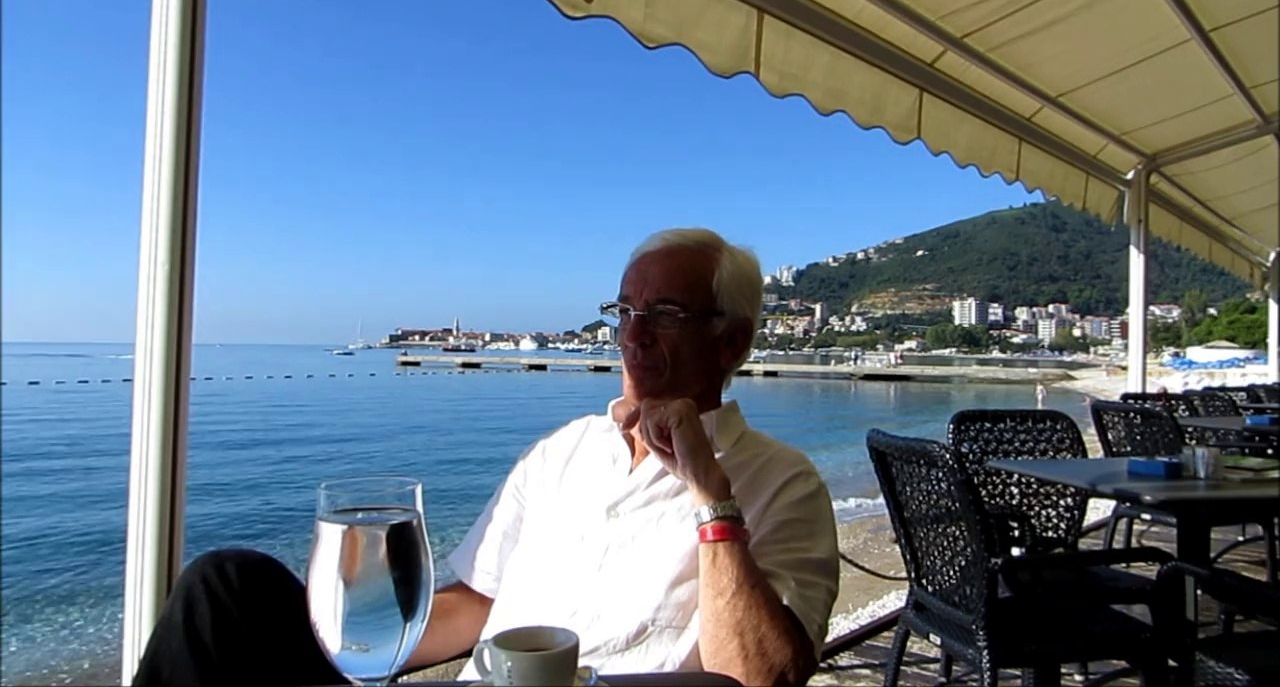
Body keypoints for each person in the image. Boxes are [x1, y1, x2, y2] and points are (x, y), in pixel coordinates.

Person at [131, 227, 841, 687]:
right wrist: (356, 644)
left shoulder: (781, 483)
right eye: (623, 311)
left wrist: (707, 493)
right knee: (226, 588)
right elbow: (476, 603)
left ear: (731, 344)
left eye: (665, 313)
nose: (631, 335)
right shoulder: (562, 454)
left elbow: (760, 677)